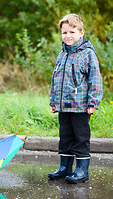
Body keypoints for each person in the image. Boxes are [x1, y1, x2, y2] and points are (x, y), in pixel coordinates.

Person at [48, 14, 103, 184]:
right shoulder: (62, 55)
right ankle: (65, 167)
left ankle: (81, 171)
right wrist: (54, 101)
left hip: (80, 107)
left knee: (80, 137)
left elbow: (95, 79)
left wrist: (93, 103)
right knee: (65, 137)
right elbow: (55, 80)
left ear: (81, 33)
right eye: (64, 33)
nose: (68, 36)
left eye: (72, 32)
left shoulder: (87, 54)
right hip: (64, 106)